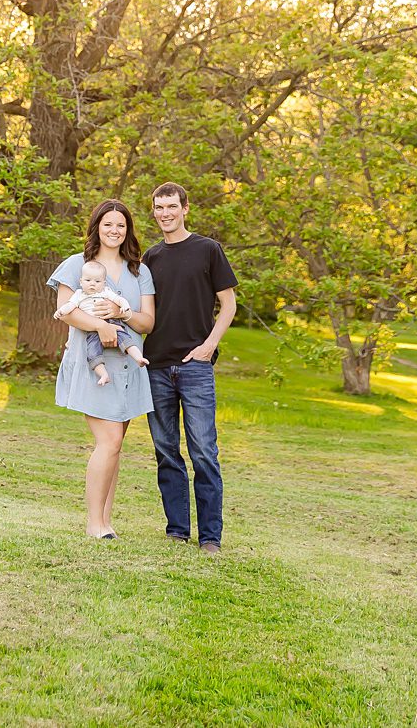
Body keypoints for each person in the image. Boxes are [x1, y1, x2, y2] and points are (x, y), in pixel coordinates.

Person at [47, 199, 156, 539]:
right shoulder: (77, 264)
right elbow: (67, 311)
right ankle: (95, 523)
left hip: (128, 368)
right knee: (108, 441)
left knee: (116, 446)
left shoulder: (140, 271)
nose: (114, 230)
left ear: (128, 231)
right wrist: (100, 325)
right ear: (96, 226)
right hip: (93, 366)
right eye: (108, 224)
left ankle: (106, 521)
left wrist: (121, 316)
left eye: (121, 225)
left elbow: (148, 322)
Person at [143, 181, 237, 554]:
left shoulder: (207, 250)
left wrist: (210, 346)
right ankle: (177, 530)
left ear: (185, 208)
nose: (165, 213)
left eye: (171, 206)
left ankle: (210, 538)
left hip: (196, 368)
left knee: (203, 452)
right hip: (156, 368)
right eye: (159, 207)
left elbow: (228, 304)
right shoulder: (150, 257)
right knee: (166, 451)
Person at [55, 259, 150, 385]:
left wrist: (124, 307)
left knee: (125, 338)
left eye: (97, 281)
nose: (92, 284)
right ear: (81, 282)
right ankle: (103, 374)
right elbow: (70, 306)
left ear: (103, 283)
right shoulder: (79, 295)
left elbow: (119, 299)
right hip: (92, 329)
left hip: (113, 322)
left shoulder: (106, 292)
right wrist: (60, 312)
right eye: (88, 281)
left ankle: (138, 358)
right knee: (93, 352)